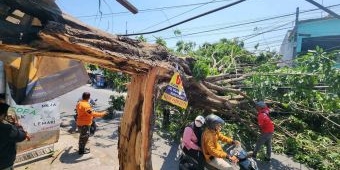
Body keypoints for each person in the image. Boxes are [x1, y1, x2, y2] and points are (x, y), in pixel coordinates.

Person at [0, 103, 28, 170]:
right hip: (4, 164)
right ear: (3, 115)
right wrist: (16, 124)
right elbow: (22, 136)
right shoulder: (6, 129)